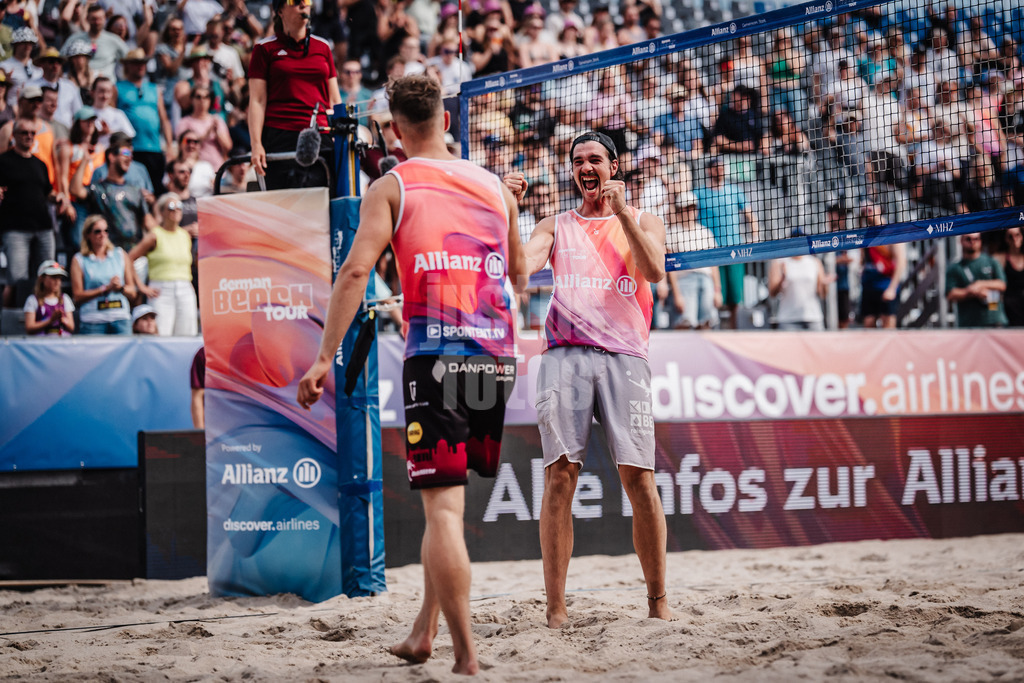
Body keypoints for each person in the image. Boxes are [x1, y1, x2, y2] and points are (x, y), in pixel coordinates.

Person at [297, 75, 526, 676]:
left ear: (394, 131)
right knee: (446, 512)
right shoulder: (496, 186)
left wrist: (323, 358)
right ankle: (422, 634)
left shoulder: (391, 185)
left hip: (437, 358)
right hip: (497, 356)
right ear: (447, 121)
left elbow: (353, 276)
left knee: (442, 514)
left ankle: (467, 658)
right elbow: (520, 275)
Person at [503, 130, 674, 629]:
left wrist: (622, 214)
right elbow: (520, 270)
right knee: (559, 477)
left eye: (594, 159)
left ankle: (657, 601)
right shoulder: (555, 225)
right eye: (577, 161)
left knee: (638, 478)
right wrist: (510, 211)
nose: (585, 167)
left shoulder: (643, 219)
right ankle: (555, 610)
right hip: (564, 356)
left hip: (625, 356)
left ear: (614, 167)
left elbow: (656, 271)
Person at [248, 0, 342, 191]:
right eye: (294, 1)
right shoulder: (264, 49)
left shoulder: (323, 47)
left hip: (320, 135)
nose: (303, 5)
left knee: (325, 203)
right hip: (281, 135)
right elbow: (257, 101)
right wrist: (256, 144)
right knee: (286, 206)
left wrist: (339, 137)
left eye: (307, 1)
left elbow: (334, 100)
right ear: (279, 10)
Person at [693, 156, 759, 328]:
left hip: (734, 251)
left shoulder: (734, 190)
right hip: (711, 252)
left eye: (722, 167)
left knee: (735, 297)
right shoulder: (699, 193)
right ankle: (715, 331)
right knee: (714, 297)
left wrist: (755, 236)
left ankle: (734, 331)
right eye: (716, 167)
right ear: (709, 170)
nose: (720, 170)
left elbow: (749, 214)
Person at [0, 117, 55, 308]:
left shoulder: (40, 164)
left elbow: (48, 192)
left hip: (43, 227)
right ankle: (7, 321)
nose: (29, 136)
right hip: (15, 228)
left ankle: (44, 318)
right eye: (24, 133)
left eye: (32, 133)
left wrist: (59, 198)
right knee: (16, 280)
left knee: (48, 278)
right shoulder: (3, 161)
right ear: (14, 136)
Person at [128, 192, 197, 336]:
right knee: (162, 334)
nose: (176, 210)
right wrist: (141, 287)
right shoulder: (155, 235)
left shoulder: (185, 235)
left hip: (185, 287)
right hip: (161, 290)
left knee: (187, 334)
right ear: (162, 212)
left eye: (179, 206)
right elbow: (129, 258)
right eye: (171, 206)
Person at [117, 48, 174, 194]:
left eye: (143, 62)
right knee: (133, 189)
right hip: (131, 149)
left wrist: (169, 146)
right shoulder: (118, 88)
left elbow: (164, 119)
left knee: (155, 191)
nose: (141, 66)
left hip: (154, 148)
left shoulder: (154, 89)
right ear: (127, 65)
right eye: (136, 63)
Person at [70, 214, 138, 335]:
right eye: (97, 231)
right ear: (88, 234)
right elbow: (77, 296)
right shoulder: (79, 259)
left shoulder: (120, 254)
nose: (103, 235)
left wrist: (120, 288)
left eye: (106, 230)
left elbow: (132, 292)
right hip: (93, 320)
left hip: (120, 317)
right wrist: (104, 289)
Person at [857, 203, 905, 329]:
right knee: (868, 324)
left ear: (879, 210)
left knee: (888, 325)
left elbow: (901, 262)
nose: (866, 213)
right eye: (863, 211)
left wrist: (892, 288)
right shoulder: (865, 235)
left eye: (869, 209)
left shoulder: (891, 232)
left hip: (886, 284)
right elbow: (863, 259)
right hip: (869, 286)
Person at [946, 232, 1008, 328]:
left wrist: (980, 284)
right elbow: (950, 294)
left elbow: (1002, 284)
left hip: (994, 320)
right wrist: (970, 291)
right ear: (961, 241)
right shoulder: (955, 268)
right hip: (969, 324)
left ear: (980, 241)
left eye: (976, 239)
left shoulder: (991, 261)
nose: (972, 242)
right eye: (968, 239)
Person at [768, 249, 829, 330]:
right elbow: (772, 293)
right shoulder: (779, 263)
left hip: (813, 318)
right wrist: (782, 280)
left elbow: (823, 294)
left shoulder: (815, 262)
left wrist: (825, 284)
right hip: (788, 319)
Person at [23, 259, 75, 336]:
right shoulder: (32, 300)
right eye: (53, 277)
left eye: (59, 278)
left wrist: (62, 319)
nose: (57, 281)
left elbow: (71, 327)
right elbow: (29, 328)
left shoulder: (65, 299)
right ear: (41, 278)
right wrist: (51, 320)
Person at [994, 227, 1023, 327]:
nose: (1014, 239)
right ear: (1006, 239)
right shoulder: (999, 258)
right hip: (1008, 309)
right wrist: (994, 312)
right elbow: (994, 288)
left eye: (1017, 235)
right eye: (1010, 236)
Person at [190, 345, 206, 429]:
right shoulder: (204, 354)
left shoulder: (250, 348)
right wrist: (200, 434)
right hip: (216, 431)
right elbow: (197, 396)